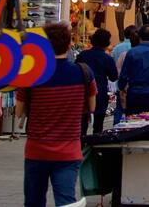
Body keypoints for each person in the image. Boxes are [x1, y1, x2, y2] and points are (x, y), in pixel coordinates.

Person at [16, 22, 96, 207]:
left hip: (37, 150)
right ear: (69, 45)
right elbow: (91, 107)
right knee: (66, 202)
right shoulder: (83, 72)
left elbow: (19, 111)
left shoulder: (32, 75)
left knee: (34, 202)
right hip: (68, 151)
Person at [76, 29, 119, 134]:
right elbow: (113, 77)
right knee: (99, 122)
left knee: (82, 121)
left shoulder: (83, 55)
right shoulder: (107, 58)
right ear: (107, 43)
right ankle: (95, 143)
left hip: (83, 90)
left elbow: (76, 68)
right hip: (100, 91)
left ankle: (82, 142)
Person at [110, 25, 137, 125]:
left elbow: (113, 64)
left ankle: (116, 127)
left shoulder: (117, 48)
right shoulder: (136, 48)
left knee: (119, 108)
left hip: (120, 84)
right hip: (133, 85)